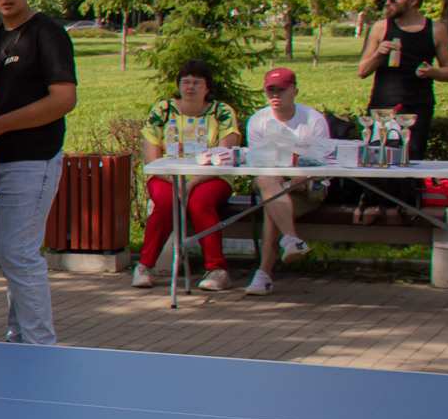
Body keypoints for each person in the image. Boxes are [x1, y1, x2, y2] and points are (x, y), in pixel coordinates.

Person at [0, 0, 78, 344]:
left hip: (33, 159)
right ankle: (19, 338)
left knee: (18, 252)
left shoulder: (47, 33)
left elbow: (64, 99)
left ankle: (39, 346)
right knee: (8, 254)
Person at [134, 59, 243, 290]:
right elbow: (152, 159)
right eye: (185, 82)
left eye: (197, 82)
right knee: (167, 201)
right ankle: (144, 266)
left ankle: (217, 270)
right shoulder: (162, 111)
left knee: (200, 202)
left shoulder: (222, 112)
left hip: (212, 177)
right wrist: (175, 181)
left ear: (208, 88)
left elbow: (224, 156)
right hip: (167, 176)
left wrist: (193, 182)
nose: (190, 87)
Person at [354, 0, 448, 222]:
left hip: (418, 107)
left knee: (409, 164)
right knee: (377, 163)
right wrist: (379, 53)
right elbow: (362, 71)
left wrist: (432, 72)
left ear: (414, 1)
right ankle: (371, 216)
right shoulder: (381, 27)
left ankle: (406, 219)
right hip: (383, 105)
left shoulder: (436, 29)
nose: (387, 3)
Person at [241, 66, 331, 296]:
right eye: (270, 90)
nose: (275, 95)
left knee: (272, 204)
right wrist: (285, 182)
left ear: (294, 91)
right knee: (268, 183)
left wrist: (297, 180)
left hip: (309, 186)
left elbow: (322, 166)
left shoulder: (314, 120)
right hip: (271, 181)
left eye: (281, 90)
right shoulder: (258, 121)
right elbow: (259, 163)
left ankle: (265, 273)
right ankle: (290, 242)